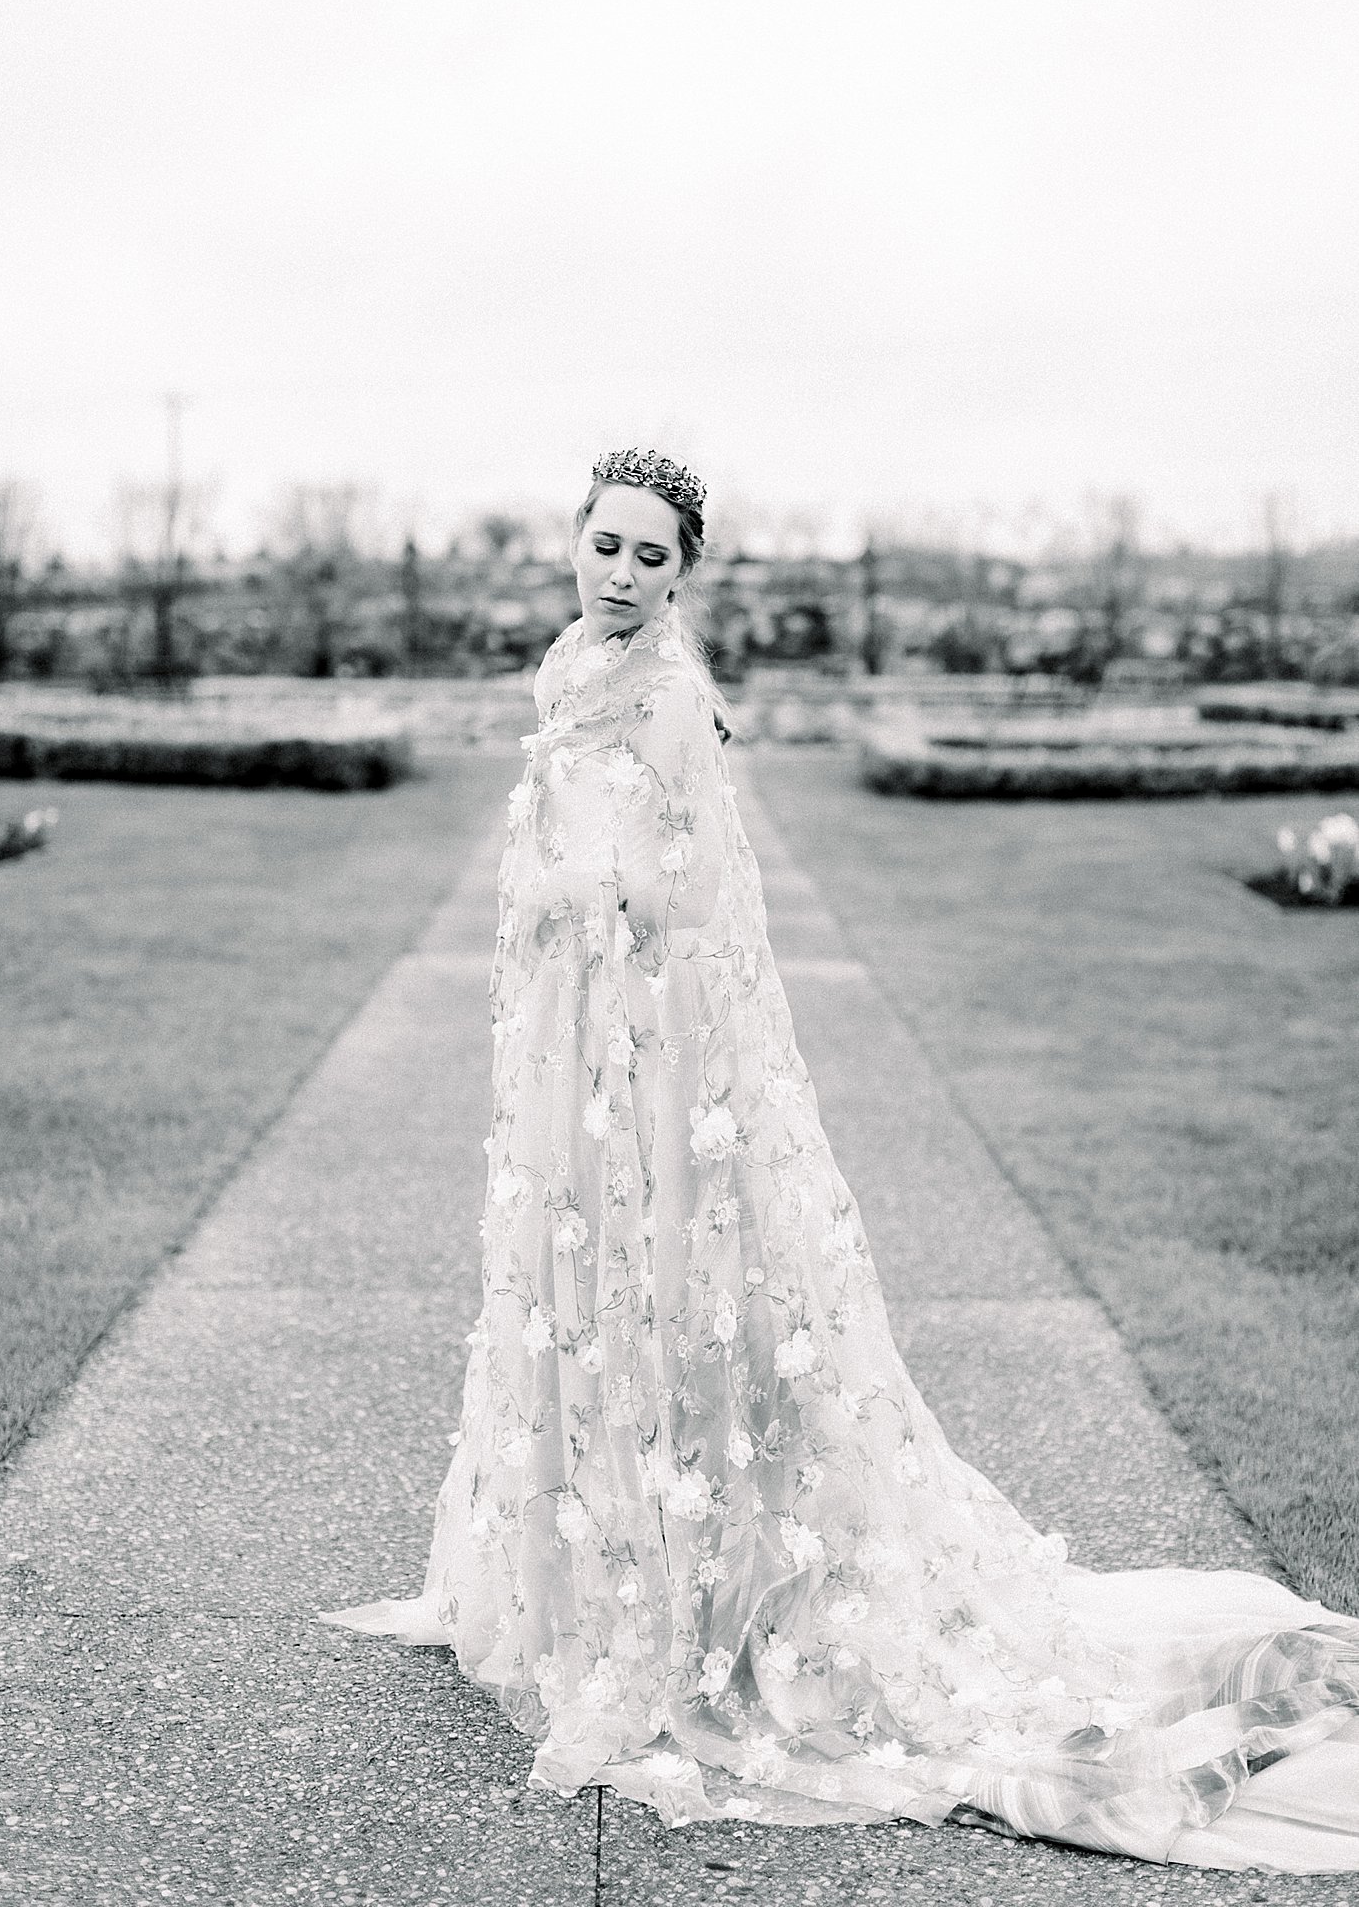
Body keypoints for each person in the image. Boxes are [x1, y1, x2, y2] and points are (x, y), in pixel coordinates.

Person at [324, 449, 1359, 1871]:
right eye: (604, 545)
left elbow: (690, 896)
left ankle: (691, 1590)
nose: (620, 574)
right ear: (574, 542)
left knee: (672, 1298)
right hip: (573, 1046)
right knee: (574, 1284)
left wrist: (588, 901)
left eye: (649, 557)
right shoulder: (568, 665)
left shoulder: (673, 699)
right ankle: (583, 1567)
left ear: (684, 574)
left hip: (649, 1048)